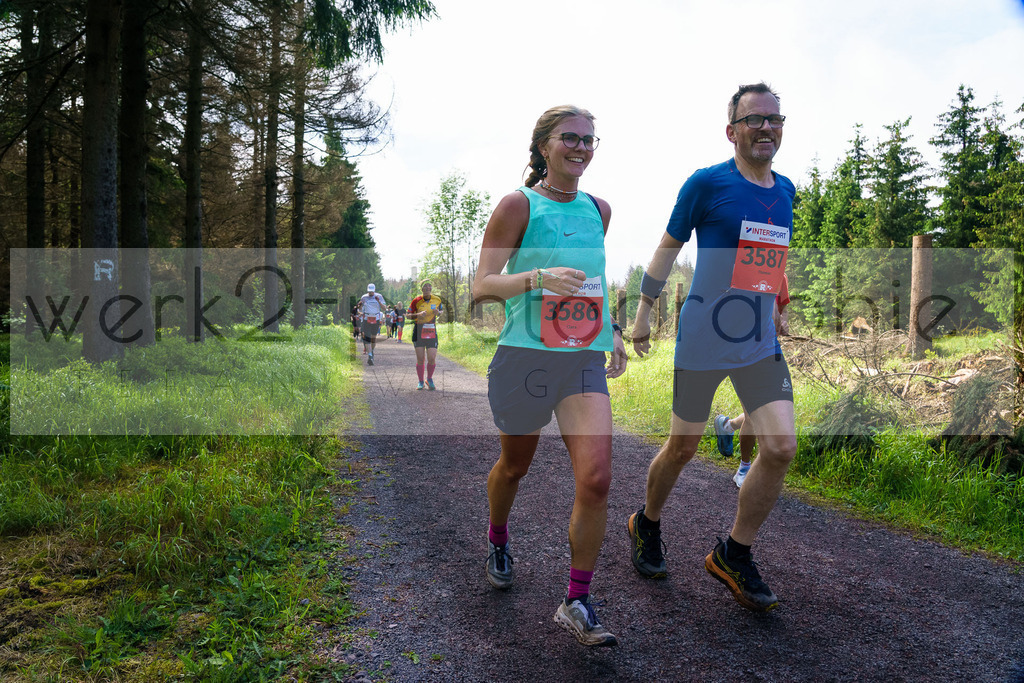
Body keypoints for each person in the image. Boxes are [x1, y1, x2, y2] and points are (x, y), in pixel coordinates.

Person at [627, 83, 797, 614]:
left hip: (757, 340)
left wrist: (774, 307)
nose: (766, 127)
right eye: (754, 120)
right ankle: (646, 522)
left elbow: (767, 257)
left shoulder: (787, 188)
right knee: (682, 447)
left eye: (774, 119)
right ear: (733, 131)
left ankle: (734, 553)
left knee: (780, 447)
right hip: (704, 335)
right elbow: (668, 246)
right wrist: (644, 310)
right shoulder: (707, 183)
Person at [473, 105, 628, 647]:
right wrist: (537, 278)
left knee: (597, 478)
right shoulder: (518, 204)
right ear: (543, 146)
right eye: (570, 138)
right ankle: (497, 537)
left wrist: (611, 327)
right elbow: (482, 286)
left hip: (581, 359)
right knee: (514, 468)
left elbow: (590, 280)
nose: (581, 148)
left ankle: (577, 599)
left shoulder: (599, 209)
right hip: (525, 357)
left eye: (590, 139)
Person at [715, 272, 791, 488]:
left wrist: (782, 324)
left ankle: (727, 425)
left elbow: (783, 312)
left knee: (764, 410)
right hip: (741, 350)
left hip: (768, 351)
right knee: (753, 414)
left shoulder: (781, 277)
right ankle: (744, 468)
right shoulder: (739, 271)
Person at [408, 282, 444, 390]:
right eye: (425, 286)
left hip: (431, 330)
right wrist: (418, 315)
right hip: (418, 331)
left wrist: (438, 312)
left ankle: (429, 379)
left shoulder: (437, 299)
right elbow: (408, 315)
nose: (428, 288)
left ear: (431, 288)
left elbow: (441, 311)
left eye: (429, 286)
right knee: (420, 358)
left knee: (432, 358)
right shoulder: (416, 301)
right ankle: (420, 381)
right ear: (422, 289)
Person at [358, 283, 387, 365]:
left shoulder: (379, 296)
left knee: (373, 338)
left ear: (374, 290)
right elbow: (360, 308)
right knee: (367, 337)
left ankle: (372, 351)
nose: (371, 293)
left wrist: (378, 301)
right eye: (369, 292)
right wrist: (359, 306)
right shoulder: (364, 297)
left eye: (372, 292)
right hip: (366, 319)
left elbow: (384, 308)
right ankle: (370, 355)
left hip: (376, 319)